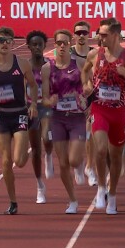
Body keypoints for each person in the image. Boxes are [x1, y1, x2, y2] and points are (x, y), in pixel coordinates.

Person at [81, 18, 125, 215]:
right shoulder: (94, 54)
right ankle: (101, 188)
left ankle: (113, 193)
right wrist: (87, 85)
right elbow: (84, 72)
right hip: (99, 109)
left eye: (104, 35)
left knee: (116, 156)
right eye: (99, 34)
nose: (100, 38)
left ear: (116, 36)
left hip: (119, 113)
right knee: (100, 149)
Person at [0, 27, 38, 215]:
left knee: (19, 161)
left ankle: (29, 148)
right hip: (0, 115)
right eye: (1, 40)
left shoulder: (21, 64)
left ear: (13, 43)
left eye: (8, 40)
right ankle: (13, 202)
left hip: (19, 113)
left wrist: (34, 104)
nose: (5, 44)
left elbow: (33, 85)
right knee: (6, 162)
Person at [42, 29, 87, 214]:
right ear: (54, 45)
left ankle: (81, 163)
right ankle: (73, 200)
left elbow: (89, 85)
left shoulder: (80, 63)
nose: (62, 46)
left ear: (70, 44)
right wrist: (49, 101)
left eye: (65, 43)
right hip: (57, 118)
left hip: (77, 117)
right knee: (63, 163)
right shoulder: (47, 68)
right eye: (59, 43)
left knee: (74, 160)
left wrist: (85, 96)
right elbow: (44, 96)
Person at [26, 30, 54, 204]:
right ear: (28, 46)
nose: (37, 47)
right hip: (30, 109)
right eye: (34, 44)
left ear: (45, 46)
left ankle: (49, 154)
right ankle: (39, 186)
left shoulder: (49, 66)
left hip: (46, 107)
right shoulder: (24, 66)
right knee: (35, 149)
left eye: (40, 44)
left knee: (47, 137)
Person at [70, 20, 98, 187]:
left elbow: (96, 79)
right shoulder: (68, 53)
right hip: (71, 99)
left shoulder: (94, 54)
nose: (81, 35)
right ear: (73, 35)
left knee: (90, 134)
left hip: (89, 98)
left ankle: (90, 167)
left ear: (89, 35)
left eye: (84, 33)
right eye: (78, 33)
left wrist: (90, 97)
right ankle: (78, 165)